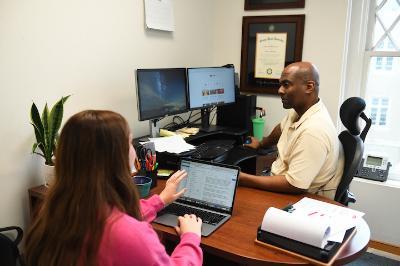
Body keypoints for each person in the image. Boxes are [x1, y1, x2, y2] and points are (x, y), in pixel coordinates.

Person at [25, 110, 203, 266]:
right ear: (116, 157)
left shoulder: (53, 212)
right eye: (130, 142)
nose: (134, 150)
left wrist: (161, 200)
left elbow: (109, 216)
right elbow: (121, 229)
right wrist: (191, 238)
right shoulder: (131, 236)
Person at [240, 62, 344, 200]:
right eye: (280, 84)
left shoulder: (313, 131)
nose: (280, 90)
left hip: (300, 199)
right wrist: (261, 143)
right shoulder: (302, 110)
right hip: (284, 183)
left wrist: (243, 179)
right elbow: (281, 128)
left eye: (286, 85)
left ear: (309, 87)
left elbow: (293, 185)